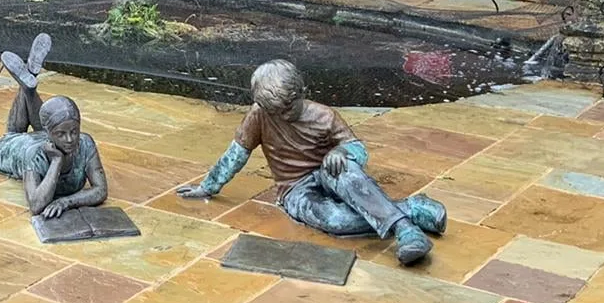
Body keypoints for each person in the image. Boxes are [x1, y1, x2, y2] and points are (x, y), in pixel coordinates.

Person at [177, 58, 446, 265]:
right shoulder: (259, 115)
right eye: (275, 112)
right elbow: (236, 154)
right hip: (296, 189)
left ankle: (406, 232)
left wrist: (342, 152)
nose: (282, 116)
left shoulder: (325, 116)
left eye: (287, 108)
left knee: (348, 173)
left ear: (301, 93)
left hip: (329, 171)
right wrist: (208, 187)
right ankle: (412, 209)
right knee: (336, 221)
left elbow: (359, 150)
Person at [0, 34, 109, 218]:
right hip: (17, 147)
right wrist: (56, 161)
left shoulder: (86, 143)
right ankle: (28, 86)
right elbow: (36, 205)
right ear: (49, 134)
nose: (70, 139)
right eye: (61, 134)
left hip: (42, 134)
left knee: (25, 128)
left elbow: (101, 191)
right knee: (11, 135)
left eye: (74, 131)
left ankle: (28, 86)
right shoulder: (33, 155)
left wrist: (66, 202)